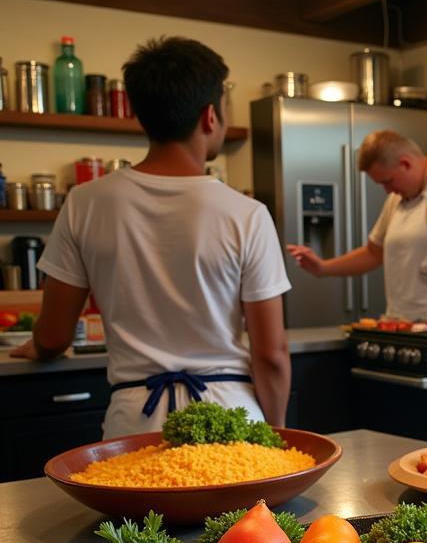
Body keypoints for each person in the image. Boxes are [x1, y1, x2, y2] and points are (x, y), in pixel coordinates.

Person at [11, 36, 292, 439]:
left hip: (134, 418)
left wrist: (36, 347)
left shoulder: (85, 202)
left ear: (142, 117)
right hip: (231, 417)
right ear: (210, 116)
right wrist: (277, 431)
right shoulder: (247, 214)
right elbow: (271, 355)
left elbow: (54, 335)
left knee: (133, 506)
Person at [287, 130, 427, 319]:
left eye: (388, 181)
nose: (387, 190)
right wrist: (323, 268)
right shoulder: (397, 198)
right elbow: (374, 253)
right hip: (400, 322)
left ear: (405, 163)